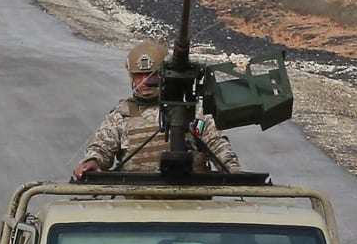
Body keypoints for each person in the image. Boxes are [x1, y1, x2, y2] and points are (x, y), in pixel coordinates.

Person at [75, 40, 238, 178]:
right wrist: (92, 162)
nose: (144, 82)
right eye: (139, 75)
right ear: (131, 77)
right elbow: (102, 148)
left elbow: (216, 144)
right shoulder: (122, 116)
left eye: (152, 75)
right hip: (136, 207)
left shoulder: (194, 112)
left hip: (192, 204)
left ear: (165, 75)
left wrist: (233, 171)